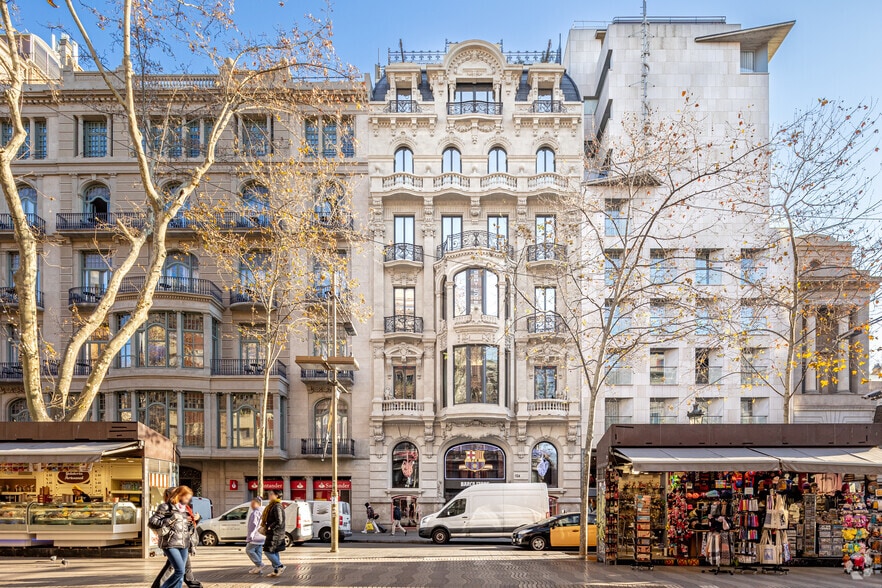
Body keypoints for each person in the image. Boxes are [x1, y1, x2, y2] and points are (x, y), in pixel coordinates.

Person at [151, 487, 203, 588]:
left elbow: (190, 524)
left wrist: (196, 519)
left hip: (184, 540)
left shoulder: (184, 507)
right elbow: (156, 522)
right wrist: (173, 521)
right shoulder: (167, 508)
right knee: (177, 569)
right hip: (173, 542)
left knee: (181, 569)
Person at [260, 489, 286, 577]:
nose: (270, 496)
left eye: (271, 494)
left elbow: (279, 520)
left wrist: (270, 527)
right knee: (274, 551)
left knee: (268, 551)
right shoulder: (273, 506)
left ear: (277, 495)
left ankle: (279, 566)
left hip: (275, 533)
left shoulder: (277, 506)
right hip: (274, 533)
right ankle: (276, 570)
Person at [245, 498, 266, 575]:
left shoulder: (256, 513)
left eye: (252, 503)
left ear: (257, 504)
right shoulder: (264, 511)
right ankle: (259, 568)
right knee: (258, 552)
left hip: (255, 536)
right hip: (262, 535)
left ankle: (260, 564)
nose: (251, 505)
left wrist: (250, 535)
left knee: (249, 550)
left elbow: (253, 525)